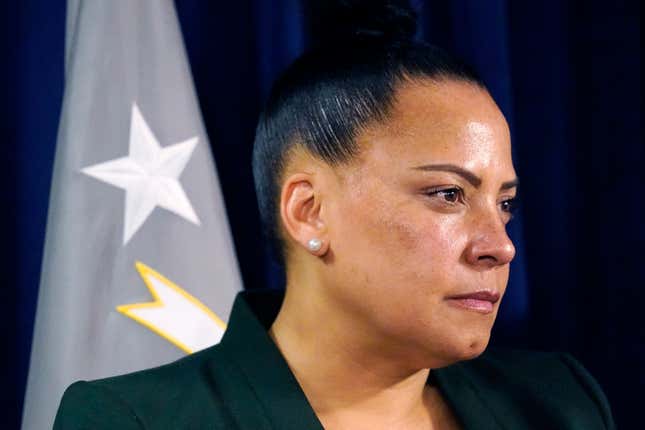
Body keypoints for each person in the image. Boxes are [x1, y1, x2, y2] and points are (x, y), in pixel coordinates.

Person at [54, 1, 615, 429]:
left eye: (506, 203)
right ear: (309, 212)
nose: (500, 245)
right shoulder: (136, 419)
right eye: (448, 194)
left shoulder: (561, 403)